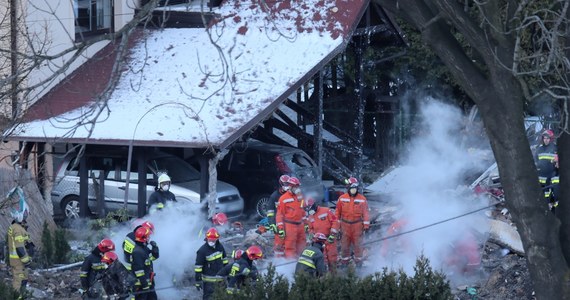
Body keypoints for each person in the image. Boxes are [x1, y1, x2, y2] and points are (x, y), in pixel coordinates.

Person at [335, 177, 370, 266]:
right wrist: (337, 227)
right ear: (348, 188)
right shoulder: (342, 198)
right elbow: (337, 214)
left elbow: (366, 213)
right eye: (352, 188)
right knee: (344, 246)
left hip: (357, 225)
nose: (354, 190)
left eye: (355, 188)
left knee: (358, 246)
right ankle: (344, 263)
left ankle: (358, 264)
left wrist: (366, 226)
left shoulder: (362, 199)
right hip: (345, 225)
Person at [275, 176, 307, 258]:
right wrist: (281, 228)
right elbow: (279, 214)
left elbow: (302, 211)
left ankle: (301, 266)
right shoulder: (283, 199)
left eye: (298, 186)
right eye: (296, 186)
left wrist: (306, 224)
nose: (297, 188)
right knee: (290, 247)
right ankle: (291, 267)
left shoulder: (300, 197)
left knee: (302, 246)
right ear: (290, 186)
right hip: (290, 226)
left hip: (300, 225)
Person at [194, 227, 229, 300]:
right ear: (206, 238)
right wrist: (198, 281)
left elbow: (225, 261)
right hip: (209, 283)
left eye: (213, 239)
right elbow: (198, 268)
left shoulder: (220, 247)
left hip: (221, 280)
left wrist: (228, 274)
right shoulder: (202, 251)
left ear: (217, 238)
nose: (212, 241)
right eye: (210, 239)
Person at [306, 198, 339, 272]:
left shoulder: (326, 210)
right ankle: (323, 277)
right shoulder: (310, 216)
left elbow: (335, 221)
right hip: (319, 241)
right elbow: (310, 228)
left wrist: (333, 234)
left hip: (329, 238)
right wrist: (311, 235)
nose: (310, 212)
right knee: (322, 259)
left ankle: (334, 276)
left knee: (332, 258)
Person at [7, 202, 32, 297]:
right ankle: (17, 297)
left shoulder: (16, 227)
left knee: (23, 279)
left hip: (17, 260)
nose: (26, 217)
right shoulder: (17, 229)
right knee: (18, 280)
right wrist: (26, 260)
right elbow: (19, 247)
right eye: (25, 214)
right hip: (19, 260)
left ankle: (22, 295)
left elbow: (23, 243)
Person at [131, 227, 158, 300]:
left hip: (148, 283)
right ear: (144, 238)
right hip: (141, 286)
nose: (149, 238)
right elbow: (139, 271)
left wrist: (155, 247)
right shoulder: (137, 252)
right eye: (148, 236)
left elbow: (154, 257)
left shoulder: (144, 248)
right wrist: (144, 285)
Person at [266, 174, 290, 257]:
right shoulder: (274, 196)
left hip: (290, 224)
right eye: (285, 184)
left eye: (288, 184)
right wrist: (272, 223)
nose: (287, 186)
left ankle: (289, 260)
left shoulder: (292, 195)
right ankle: (279, 262)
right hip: (278, 223)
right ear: (281, 184)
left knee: (290, 244)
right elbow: (270, 212)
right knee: (279, 245)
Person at [534, 130, 558, 208]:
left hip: (553, 175)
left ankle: (555, 208)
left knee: (555, 193)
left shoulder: (555, 148)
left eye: (548, 138)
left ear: (551, 139)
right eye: (544, 138)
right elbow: (535, 161)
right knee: (543, 193)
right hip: (542, 176)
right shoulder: (539, 149)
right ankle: (545, 206)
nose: (546, 140)